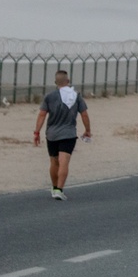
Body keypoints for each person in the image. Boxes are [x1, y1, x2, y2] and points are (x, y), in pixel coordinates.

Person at [33, 70, 92, 200]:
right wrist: (88, 130)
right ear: (68, 81)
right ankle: (59, 190)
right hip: (68, 133)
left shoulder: (49, 97)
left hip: (52, 134)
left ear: (55, 83)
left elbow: (42, 115)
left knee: (54, 162)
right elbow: (84, 114)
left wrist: (36, 132)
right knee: (64, 162)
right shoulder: (76, 96)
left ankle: (54, 189)